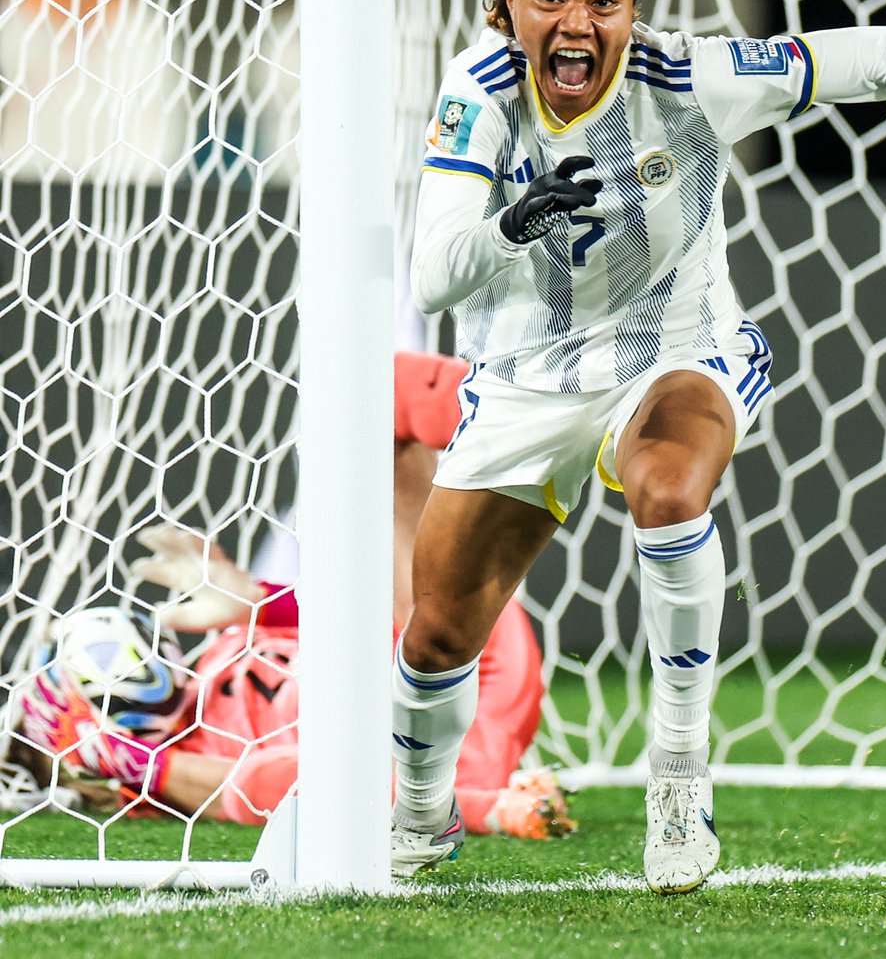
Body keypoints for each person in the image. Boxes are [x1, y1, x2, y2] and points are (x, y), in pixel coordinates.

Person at [392, 0, 886, 894]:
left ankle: (679, 778)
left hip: (677, 353)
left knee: (669, 487)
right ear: (507, 3)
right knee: (437, 634)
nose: (578, 21)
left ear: (634, 8)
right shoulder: (475, 90)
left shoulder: (691, 76)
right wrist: (515, 222)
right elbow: (433, 274)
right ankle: (423, 812)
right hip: (524, 379)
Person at [16, 351, 574, 841]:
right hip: (443, 739)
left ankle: (579, 420)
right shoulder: (186, 771)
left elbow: (350, 623)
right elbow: (313, 788)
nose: (144, 649)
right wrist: (489, 811)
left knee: (377, 388)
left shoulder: (211, 665)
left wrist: (258, 601)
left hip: (426, 641)